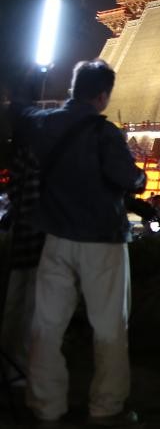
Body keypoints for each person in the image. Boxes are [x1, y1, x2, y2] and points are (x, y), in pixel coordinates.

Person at [16, 59, 146, 426]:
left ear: (75, 88)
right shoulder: (105, 133)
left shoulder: (45, 123)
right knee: (108, 326)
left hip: (56, 237)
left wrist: (26, 87)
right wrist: (140, 179)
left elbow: (21, 112)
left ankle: (45, 404)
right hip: (102, 240)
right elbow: (129, 178)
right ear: (102, 96)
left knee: (47, 324)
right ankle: (107, 406)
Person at [1, 124, 44, 387]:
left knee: (14, 303)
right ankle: (21, 370)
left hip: (21, 239)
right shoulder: (48, 157)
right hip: (40, 240)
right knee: (33, 308)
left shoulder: (21, 158)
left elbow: (14, 192)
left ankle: (8, 365)